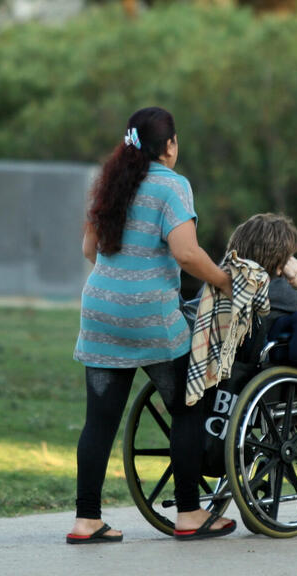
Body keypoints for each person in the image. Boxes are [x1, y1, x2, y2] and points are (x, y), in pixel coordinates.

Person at [68, 107, 236, 544]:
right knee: (186, 407)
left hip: (101, 312)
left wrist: (118, 278)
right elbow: (186, 253)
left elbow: (90, 248)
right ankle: (188, 513)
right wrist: (223, 280)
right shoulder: (172, 186)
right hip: (151, 319)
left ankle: (86, 520)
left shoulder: (108, 182)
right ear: (170, 146)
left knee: (99, 421)